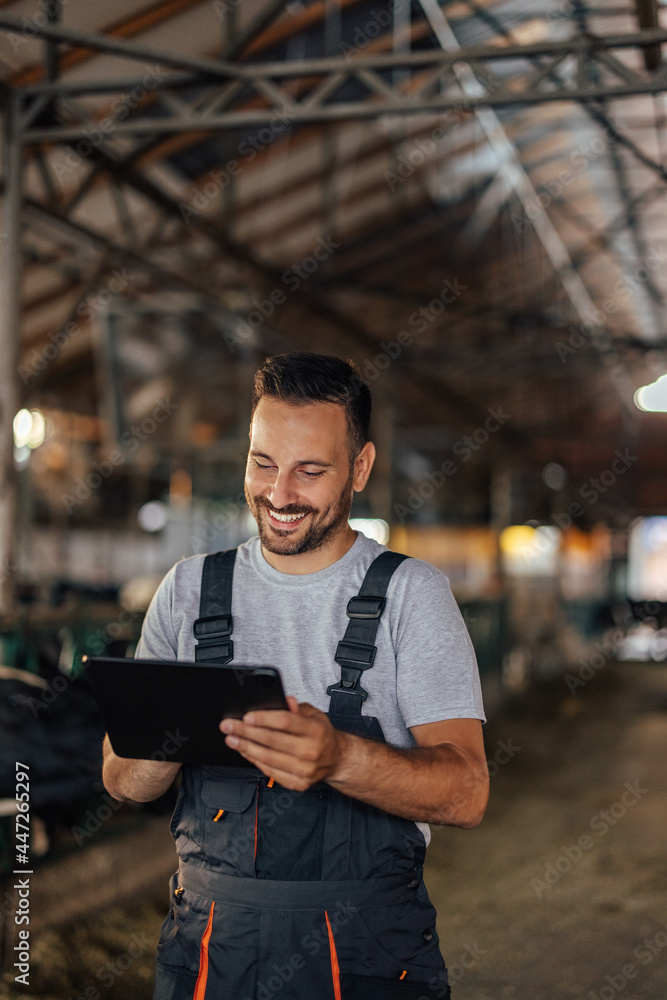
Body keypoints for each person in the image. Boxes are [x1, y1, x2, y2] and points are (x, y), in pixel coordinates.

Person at [103, 352, 488, 1000]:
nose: (279, 494)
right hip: (208, 954)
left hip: (362, 958)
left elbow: (467, 792)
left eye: (309, 471)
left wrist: (340, 757)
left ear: (359, 468)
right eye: (262, 464)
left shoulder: (410, 595)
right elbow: (121, 781)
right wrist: (171, 733)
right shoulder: (189, 589)